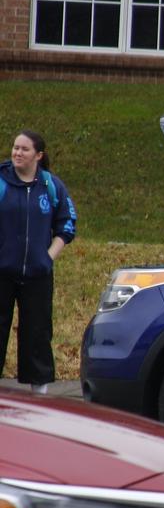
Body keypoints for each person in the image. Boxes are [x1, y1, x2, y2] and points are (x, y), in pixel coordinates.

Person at [0, 131, 77, 395]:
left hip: (38, 275)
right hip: (2, 273)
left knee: (38, 333)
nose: (17, 153)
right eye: (15, 148)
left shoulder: (51, 186)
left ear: (38, 155)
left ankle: (39, 394)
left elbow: (67, 224)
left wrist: (48, 257)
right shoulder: (2, 182)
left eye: (24, 149)